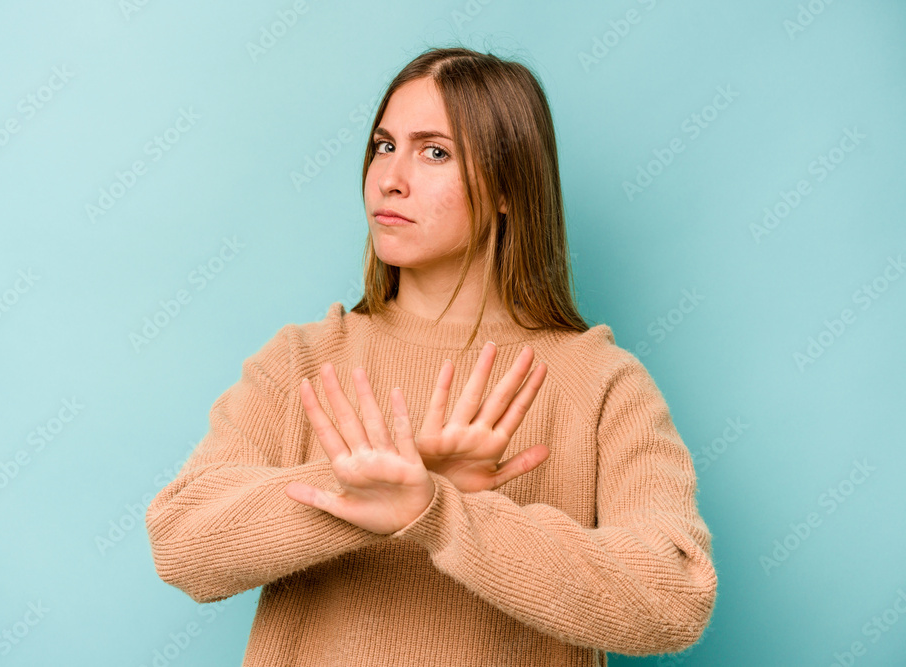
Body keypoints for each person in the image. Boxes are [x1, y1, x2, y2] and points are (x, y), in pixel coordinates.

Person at [145, 46, 717, 666]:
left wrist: (440, 514)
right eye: (384, 145)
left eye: (434, 151)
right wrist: (372, 489)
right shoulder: (302, 360)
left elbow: (674, 595)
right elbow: (181, 544)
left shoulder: (602, 382)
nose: (391, 176)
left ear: (506, 186)